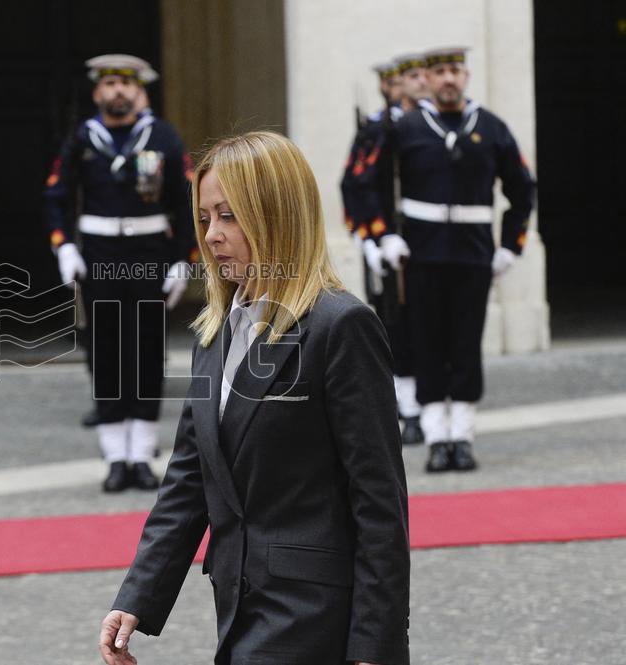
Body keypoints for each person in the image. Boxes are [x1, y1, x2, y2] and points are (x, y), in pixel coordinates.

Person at [99, 131, 410, 665]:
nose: (213, 236)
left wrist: (373, 647)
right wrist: (139, 597)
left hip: (316, 616)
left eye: (230, 216)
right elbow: (191, 475)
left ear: (279, 216)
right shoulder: (213, 331)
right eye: (204, 219)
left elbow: (380, 504)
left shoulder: (340, 326)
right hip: (239, 604)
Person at [365, 47, 535, 472]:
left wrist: (510, 247)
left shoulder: (492, 128)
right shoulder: (407, 128)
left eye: (455, 71)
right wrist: (383, 236)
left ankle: (463, 435)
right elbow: (373, 183)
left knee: (465, 343)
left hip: (473, 254)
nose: (448, 79)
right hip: (421, 254)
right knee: (426, 342)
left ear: (467, 76)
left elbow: (522, 188)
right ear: (428, 77)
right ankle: (437, 437)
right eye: (440, 71)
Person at [44, 54, 196, 492]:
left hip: (149, 253)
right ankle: (114, 456)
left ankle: (142, 452)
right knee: (107, 351)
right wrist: (64, 248)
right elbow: (56, 196)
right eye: (109, 83)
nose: (117, 91)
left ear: (140, 91)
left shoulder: (162, 136)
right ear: (97, 92)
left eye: (126, 84)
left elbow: (185, 199)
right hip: (99, 254)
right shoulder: (81, 138)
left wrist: (183, 259)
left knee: (147, 351)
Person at [343, 54, 430, 445]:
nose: (410, 86)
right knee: (393, 323)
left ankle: (425, 404)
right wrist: (371, 237)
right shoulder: (377, 130)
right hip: (387, 242)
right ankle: (405, 405)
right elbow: (355, 186)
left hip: (424, 242)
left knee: (424, 322)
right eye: (400, 81)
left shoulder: (427, 124)